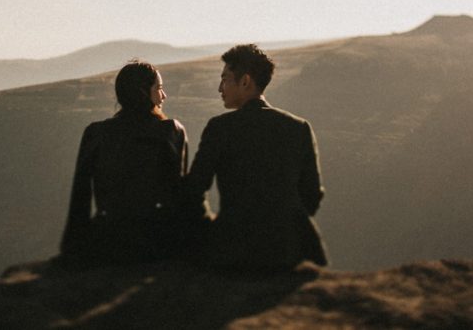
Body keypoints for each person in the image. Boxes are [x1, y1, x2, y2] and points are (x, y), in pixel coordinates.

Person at [183, 44, 328, 269]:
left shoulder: (220, 128)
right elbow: (312, 193)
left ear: (245, 81)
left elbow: (194, 189)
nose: (220, 88)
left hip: (234, 250)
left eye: (225, 79)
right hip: (286, 251)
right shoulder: (298, 127)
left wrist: (211, 228)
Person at [59, 60, 189, 265]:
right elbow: (178, 196)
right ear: (143, 92)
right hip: (154, 241)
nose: (164, 96)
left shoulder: (95, 133)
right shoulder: (171, 131)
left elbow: (80, 198)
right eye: (159, 89)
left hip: (106, 239)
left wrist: (74, 249)